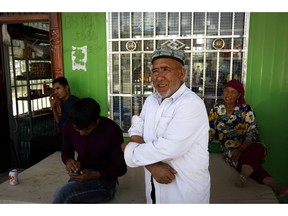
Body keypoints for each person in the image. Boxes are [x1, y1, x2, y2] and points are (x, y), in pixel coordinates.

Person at [121, 46, 210, 203]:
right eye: (155, 71)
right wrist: (153, 167)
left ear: (181, 73)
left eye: (165, 69)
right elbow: (136, 131)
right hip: (154, 186)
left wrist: (128, 149)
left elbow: (169, 148)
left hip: (184, 192)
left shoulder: (190, 104)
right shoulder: (151, 100)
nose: (159, 76)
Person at [208, 79, 288, 199]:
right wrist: (197, 146)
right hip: (230, 151)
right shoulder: (216, 109)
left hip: (248, 146)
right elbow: (210, 130)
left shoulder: (245, 110)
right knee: (250, 163)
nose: (228, 95)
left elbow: (253, 131)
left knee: (256, 149)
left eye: (232, 92)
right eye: (226, 91)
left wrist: (240, 149)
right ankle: (275, 185)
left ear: (239, 95)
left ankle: (244, 175)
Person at [52, 98, 127, 203]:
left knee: (64, 194)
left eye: (87, 129)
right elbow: (66, 153)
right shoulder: (68, 126)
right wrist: (70, 162)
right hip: (81, 175)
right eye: (77, 129)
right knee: (61, 193)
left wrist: (94, 174)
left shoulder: (112, 130)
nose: (82, 133)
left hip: (105, 182)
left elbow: (121, 168)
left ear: (97, 121)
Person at [29, 77, 79, 165]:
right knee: (40, 144)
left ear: (66, 88)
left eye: (58, 88)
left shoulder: (73, 103)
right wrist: (53, 107)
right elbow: (59, 123)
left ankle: (31, 168)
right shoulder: (65, 102)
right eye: (54, 89)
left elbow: (62, 126)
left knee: (35, 142)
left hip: (70, 140)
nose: (55, 92)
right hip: (63, 137)